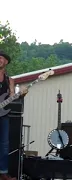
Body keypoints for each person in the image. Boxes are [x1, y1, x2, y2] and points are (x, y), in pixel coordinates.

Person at [0, 51, 27, 180]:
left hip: (3, 115)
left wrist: (20, 93)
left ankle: (3, 173)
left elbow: (11, 98)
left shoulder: (9, 80)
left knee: (4, 145)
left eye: (2, 58)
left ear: (6, 62)